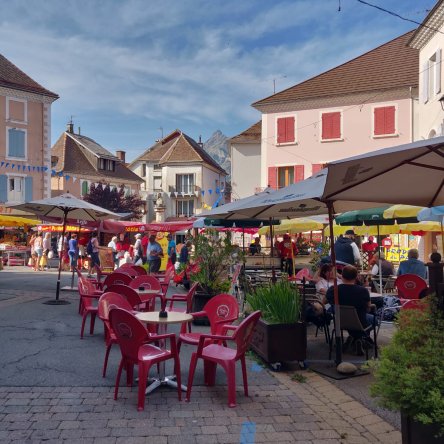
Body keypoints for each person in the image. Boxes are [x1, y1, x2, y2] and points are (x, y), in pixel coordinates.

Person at [326, 265, 377, 352]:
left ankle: (353, 338)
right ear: (356, 277)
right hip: (360, 322)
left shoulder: (333, 289)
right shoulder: (363, 291)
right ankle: (359, 339)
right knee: (374, 319)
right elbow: (368, 308)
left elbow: (324, 302)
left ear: (342, 276)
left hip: (340, 322)